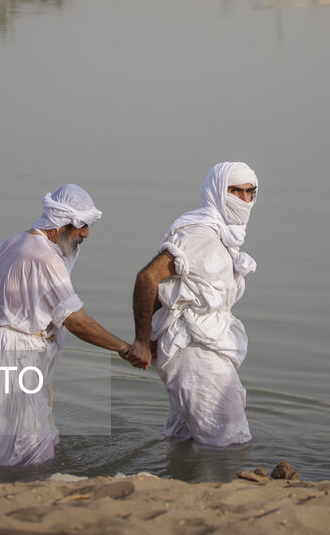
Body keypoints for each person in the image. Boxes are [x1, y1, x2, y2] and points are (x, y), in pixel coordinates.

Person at [0, 184, 134, 468]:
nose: (85, 234)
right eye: (81, 225)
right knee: (30, 449)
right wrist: (125, 349)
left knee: (28, 438)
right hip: (16, 356)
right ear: (60, 222)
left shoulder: (13, 242)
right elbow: (78, 322)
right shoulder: (44, 258)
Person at [128, 162, 259, 447]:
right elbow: (148, 278)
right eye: (235, 191)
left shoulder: (223, 235)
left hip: (205, 343)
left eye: (250, 192)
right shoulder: (198, 233)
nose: (244, 200)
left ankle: (175, 483)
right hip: (193, 348)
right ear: (216, 191)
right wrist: (143, 340)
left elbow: (171, 288)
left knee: (185, 437)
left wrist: (150, 339)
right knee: (229, 438)